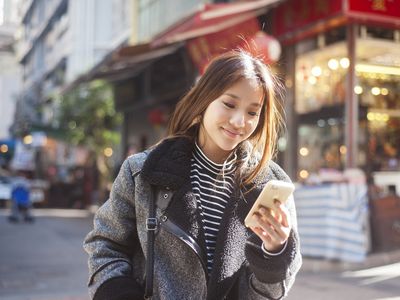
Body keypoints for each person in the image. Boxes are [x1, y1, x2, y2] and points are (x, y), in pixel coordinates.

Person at [83, 50, 302, 300]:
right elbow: (106, 245)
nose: (239, 121)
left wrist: (274, 253)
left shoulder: (270, 184)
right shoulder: (143, 172)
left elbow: (267, 294)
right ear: (204, 100)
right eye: (229, 104)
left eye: (253, 112)